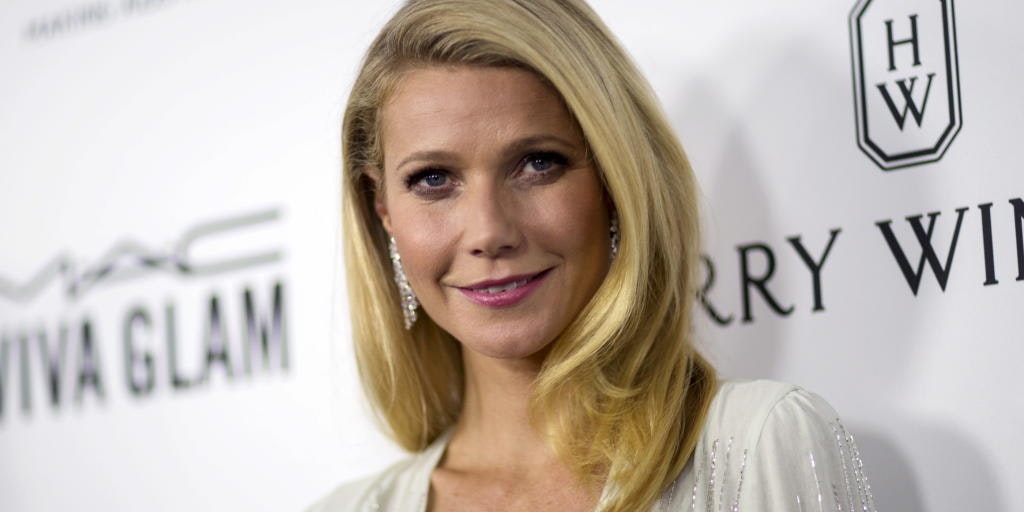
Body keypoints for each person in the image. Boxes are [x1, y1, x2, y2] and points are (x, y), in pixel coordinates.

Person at [309, 0, 877, 510]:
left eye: (538, 164)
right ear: (383, 209)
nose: (489, 231)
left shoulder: (761, 446)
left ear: (613, 182)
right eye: (433, 179)